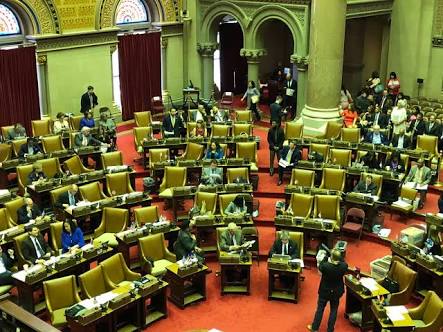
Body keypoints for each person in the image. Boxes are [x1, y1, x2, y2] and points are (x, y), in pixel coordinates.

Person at [307, 249, 348, 332]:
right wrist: (338, 257)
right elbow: (343, 262)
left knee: (320, 309)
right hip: (336, 292)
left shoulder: (326, 266)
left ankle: (315, 328)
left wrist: (326, 257)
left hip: (324, 291)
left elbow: (320, 266)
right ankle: (330, 329)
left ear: (331, 257)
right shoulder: (343, 266)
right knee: (334, 310)